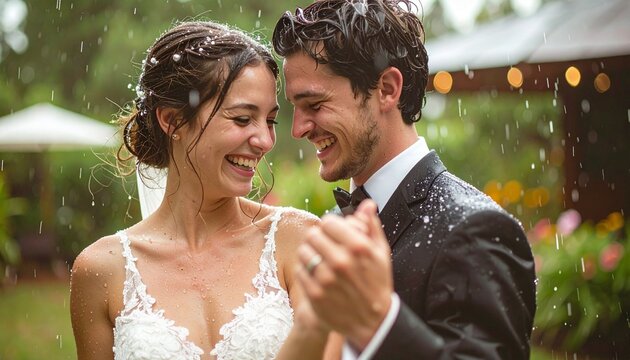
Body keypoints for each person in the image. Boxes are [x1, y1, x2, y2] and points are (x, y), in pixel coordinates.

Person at [272, 0, 537, 359]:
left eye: (314, 105)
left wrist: (377, 322)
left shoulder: (476, 229)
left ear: (386, 89)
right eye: (294, 108)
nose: (299, 128)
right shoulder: (336, 226)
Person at [70, 21, 330, 360]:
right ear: (172, 120)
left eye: (269, 120)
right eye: (241, 119)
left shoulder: (301, 242)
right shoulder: (100, 270)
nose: (264, 141)